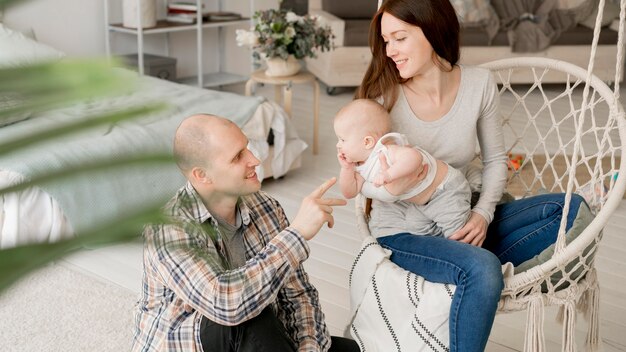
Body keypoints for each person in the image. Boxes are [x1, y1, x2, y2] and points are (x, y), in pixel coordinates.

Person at [355, 0, 587, 351]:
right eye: (386, 41)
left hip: (462, 219)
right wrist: (426, 182)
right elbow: (365, 179)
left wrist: (482, 215)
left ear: (432, 30)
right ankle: (479, 270)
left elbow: (496, 160)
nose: (390, 52)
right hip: (404, 234)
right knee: (481, 268)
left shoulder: (479, 84)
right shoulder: (384, 95)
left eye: (399, 38)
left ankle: (470, 262)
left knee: (569, 209)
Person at [131, 114, 360, 352]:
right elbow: (227, 305)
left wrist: (309, 349)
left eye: (247, 148)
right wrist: (297, 234)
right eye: (237, 156)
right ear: (202, 175)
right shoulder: (168, 230)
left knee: (349, 349)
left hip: (255, 341)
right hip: (194, 344)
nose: (255, 160)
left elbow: (299, 295)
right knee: (251, 317)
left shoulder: (266, 207)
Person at [334, 98, 471, 238]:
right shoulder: (358, 166)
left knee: (458, 234)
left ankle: (467, 200)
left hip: (444, 189)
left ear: (367, 142)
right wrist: (346, 169)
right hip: (420, 204)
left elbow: (414, 157)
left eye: (342, 140)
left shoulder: (386, 150)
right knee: (417, 228)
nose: (338, 145)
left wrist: (390, 175)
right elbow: (349, 192)